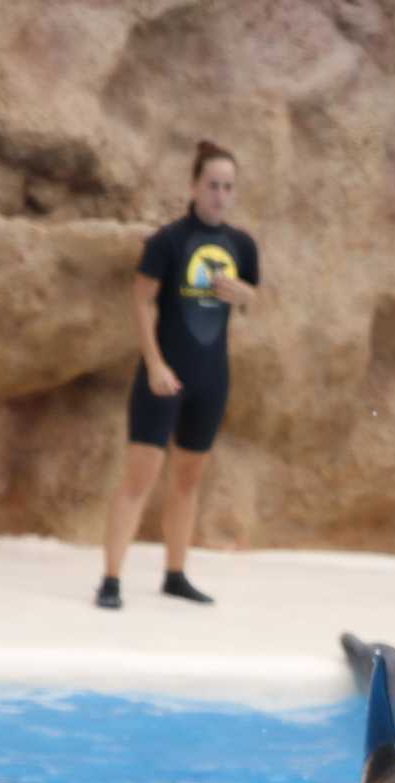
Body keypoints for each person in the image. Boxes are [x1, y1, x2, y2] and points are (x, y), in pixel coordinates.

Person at [95, 139, 261, 610]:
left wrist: (243, 294)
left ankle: (175, 573)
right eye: (212, 185)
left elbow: (253, 297)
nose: (220, 195)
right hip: (163, 375)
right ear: (194, 187)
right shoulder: (168, 241)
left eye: (227, 187)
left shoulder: (241, 246)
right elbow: (141, 301)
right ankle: (111, 579)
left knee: (188, 478)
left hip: (211, 378)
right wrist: (154, 364)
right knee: (140, 477)